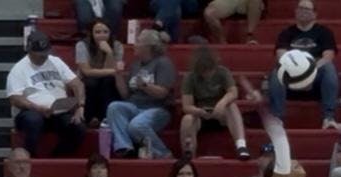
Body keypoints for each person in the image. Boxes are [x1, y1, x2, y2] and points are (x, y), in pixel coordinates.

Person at [7, 31, 86, 157]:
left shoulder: (56, 62)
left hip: (58, 111)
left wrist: (80, 106)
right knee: (34, 120)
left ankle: (57, 158)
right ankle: (31, 158)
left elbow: (77, 84)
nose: (43, 57)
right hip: (30, 111)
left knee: (78, 127)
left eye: (45, 54)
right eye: (39, 55)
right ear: (29, 51)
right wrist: (37, 108)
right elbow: (15, 98)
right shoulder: (19, 69)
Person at [269, 0, 341, 131]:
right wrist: (298, 75)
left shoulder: (324, 32)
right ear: (295, 11)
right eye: (300, 8)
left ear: (315, 14)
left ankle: (328, 118)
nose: (303, 11)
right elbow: (281, 57)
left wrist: (308, 74)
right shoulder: (286, 33)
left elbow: (328, 57)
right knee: (276, 72)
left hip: (315, 76)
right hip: (291, 75)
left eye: (307, 9)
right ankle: (277, 120)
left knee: (329, 68)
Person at [108, 29, 176, 159]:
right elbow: (125, 95)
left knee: (136, 125)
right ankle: (125, 147)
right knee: (114, 107)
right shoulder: (135, 65)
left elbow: (163, 93)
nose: (135, 45)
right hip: (135, 106)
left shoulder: (163, 63)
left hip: (157, 108)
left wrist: (145, 86)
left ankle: (164, 154)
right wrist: (117, 75)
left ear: (148, 46)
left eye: (138, 41)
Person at [179, 45, 249, 160]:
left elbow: (233, 92)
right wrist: (200, 111)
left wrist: (221, 103)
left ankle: (241, 145)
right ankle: (189, 155)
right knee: (187, 119)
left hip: (222, 114)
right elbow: (187, 106)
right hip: (200, 115)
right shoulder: (190, 77)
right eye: (203, 71)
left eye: (209, 70)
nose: (207, 74)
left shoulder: (223, 72)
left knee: (232, 106)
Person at [76, 19, 125, 126]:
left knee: (109, 81)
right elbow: (86, 71)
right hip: (86, 80)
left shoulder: (117, 45)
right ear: (91, 33)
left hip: (106, 80)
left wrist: (109, 53)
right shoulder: (81, 45)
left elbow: (110, 73)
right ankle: (90, 117)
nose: (102, 35)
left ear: (110, 33)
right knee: (92, 82)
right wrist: (114, 71)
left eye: (105, 32)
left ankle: (105, 117)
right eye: (97, 32)